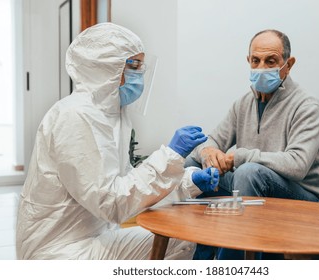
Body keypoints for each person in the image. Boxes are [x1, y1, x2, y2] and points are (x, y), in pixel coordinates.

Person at [16, 22, 219, 260]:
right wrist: (171, 155)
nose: (140, 74)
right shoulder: (75, 117)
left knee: (183, 231)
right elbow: (112, 203)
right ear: (105, 69)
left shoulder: (111, 116)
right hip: (61, 251)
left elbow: (126, 182)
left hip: (91, 236)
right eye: (134, 65)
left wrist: (188, 182)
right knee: (181, 235)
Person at [186, 29, 319, 260]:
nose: (262, 67)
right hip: (257, 188)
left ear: (289, 64)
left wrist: (239, 157)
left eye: (271, 61)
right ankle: (200, 257)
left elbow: (297, 165)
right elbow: (213, 141)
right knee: (193, 163)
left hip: (310, 200)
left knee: (248, 172)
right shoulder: (243, 103)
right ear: (248, 61)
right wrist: (208, 152)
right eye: (256, 61)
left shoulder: (307, 106)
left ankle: (231, 266)